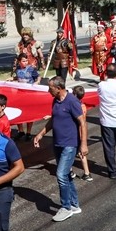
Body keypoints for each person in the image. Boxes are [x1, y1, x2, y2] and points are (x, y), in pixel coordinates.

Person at [32, 77, 88, 221]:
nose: (48, 90)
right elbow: (53, 120)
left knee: (61, 174)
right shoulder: (55, 101)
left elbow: (82, 123)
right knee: (67, 176)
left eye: (50, 88)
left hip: (70, 144)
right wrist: (41, 134)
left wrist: (83, 144)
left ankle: (65, 207)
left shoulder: (72, 101)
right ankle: (74, 205)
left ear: (59, 88)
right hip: (58, 144)